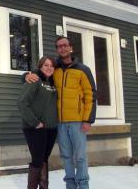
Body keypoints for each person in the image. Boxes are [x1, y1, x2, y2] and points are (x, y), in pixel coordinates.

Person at [24, 36, 97, 189]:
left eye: (65, 45)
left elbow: (91, 94)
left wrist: (88, 119)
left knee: (81, 157)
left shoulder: (83, 69)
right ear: (57, 49)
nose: (62, 48)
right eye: (59, 46)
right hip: (60, 123)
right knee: (66, 156)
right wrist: (25, 75)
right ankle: (70, 185)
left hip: (78, 121)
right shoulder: (54, 68)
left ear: (71, 47)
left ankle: (83, 185)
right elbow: (38, 73)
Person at [18, 56, 58, 189]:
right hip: (35, 128)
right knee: (37, 160)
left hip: (51, 128)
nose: (49, 68)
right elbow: (22, 103)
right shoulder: (35, 80)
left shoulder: (53, 82)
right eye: (46, 65)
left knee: (44, 159)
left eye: (52, 65)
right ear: (40, 66)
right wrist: (35, 123)